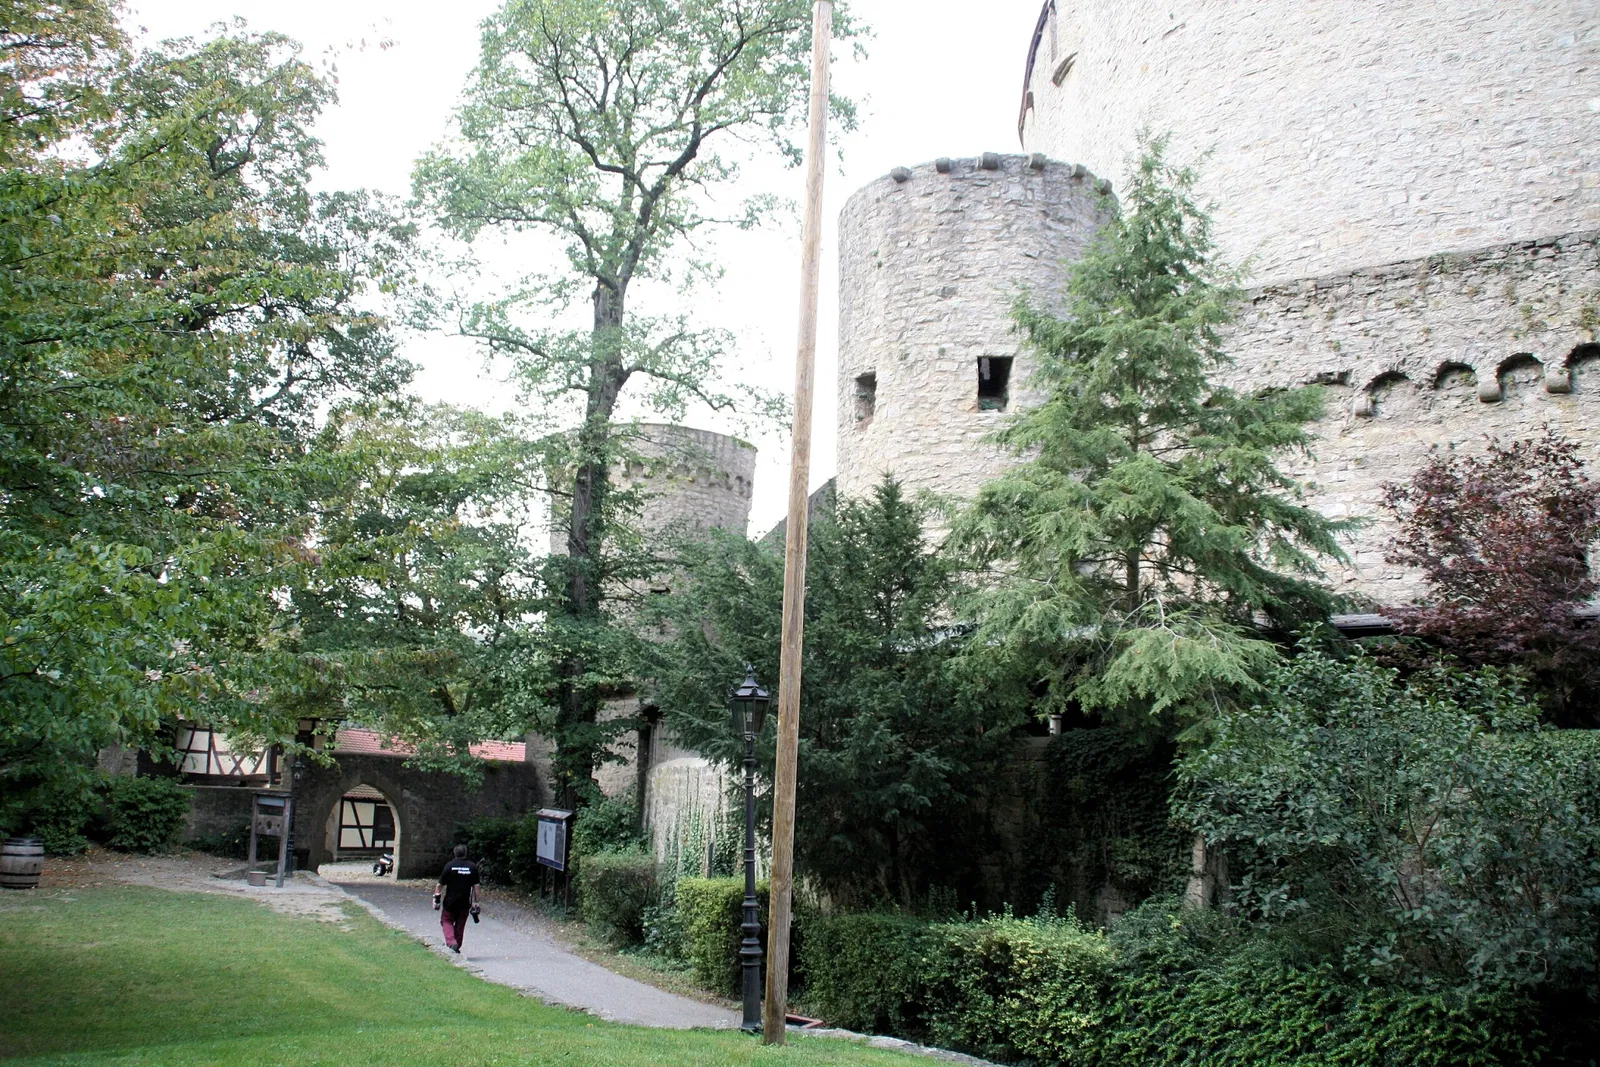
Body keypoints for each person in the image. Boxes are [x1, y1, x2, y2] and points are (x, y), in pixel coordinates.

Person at [432, 844, 481, 954]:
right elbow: (476, 887)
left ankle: (451, 942)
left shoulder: (449, 866)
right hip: (464, 902)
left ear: (454, 853)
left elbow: (440, 885)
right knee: (460, 924)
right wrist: (476, 902)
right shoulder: (472, 867)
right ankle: (456, 945)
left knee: (446, 920)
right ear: (465, 853)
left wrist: (436, 898)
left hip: (450, 901)